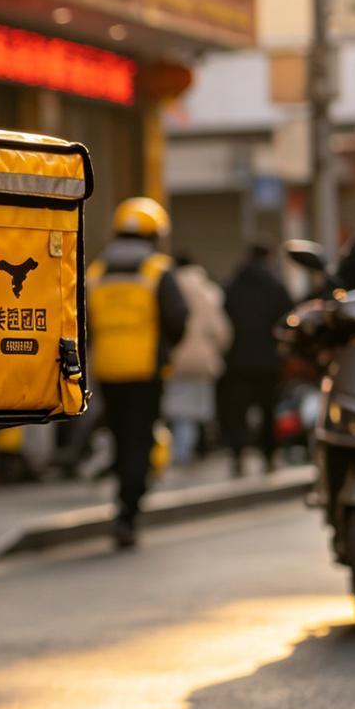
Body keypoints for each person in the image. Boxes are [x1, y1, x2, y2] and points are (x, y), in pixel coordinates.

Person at [87, 198, 189, 550]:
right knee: (139, 442)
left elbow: (82, 322)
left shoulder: (96, 272)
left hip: (107, 370)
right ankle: (128, 510)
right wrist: (164, 348)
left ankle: (122, 500)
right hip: (145, 371)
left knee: (119, 438)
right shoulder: (157, 270)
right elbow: (178, 318)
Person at [221, 241, 294, 476]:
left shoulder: (232, 285)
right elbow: (288, 321)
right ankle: (269, 456)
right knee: (268, 409)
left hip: (237, 359)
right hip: (268, 360)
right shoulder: (275, 286)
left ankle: (237, 455)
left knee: (237, 410)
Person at [163, 253, 231, 465]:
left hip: (171, 357)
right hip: (201, 359)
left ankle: (175, 453)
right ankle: (183, 454)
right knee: (193, 413)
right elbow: (221, 331)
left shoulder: (167, 286)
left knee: (174, 411)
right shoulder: (207, 291)